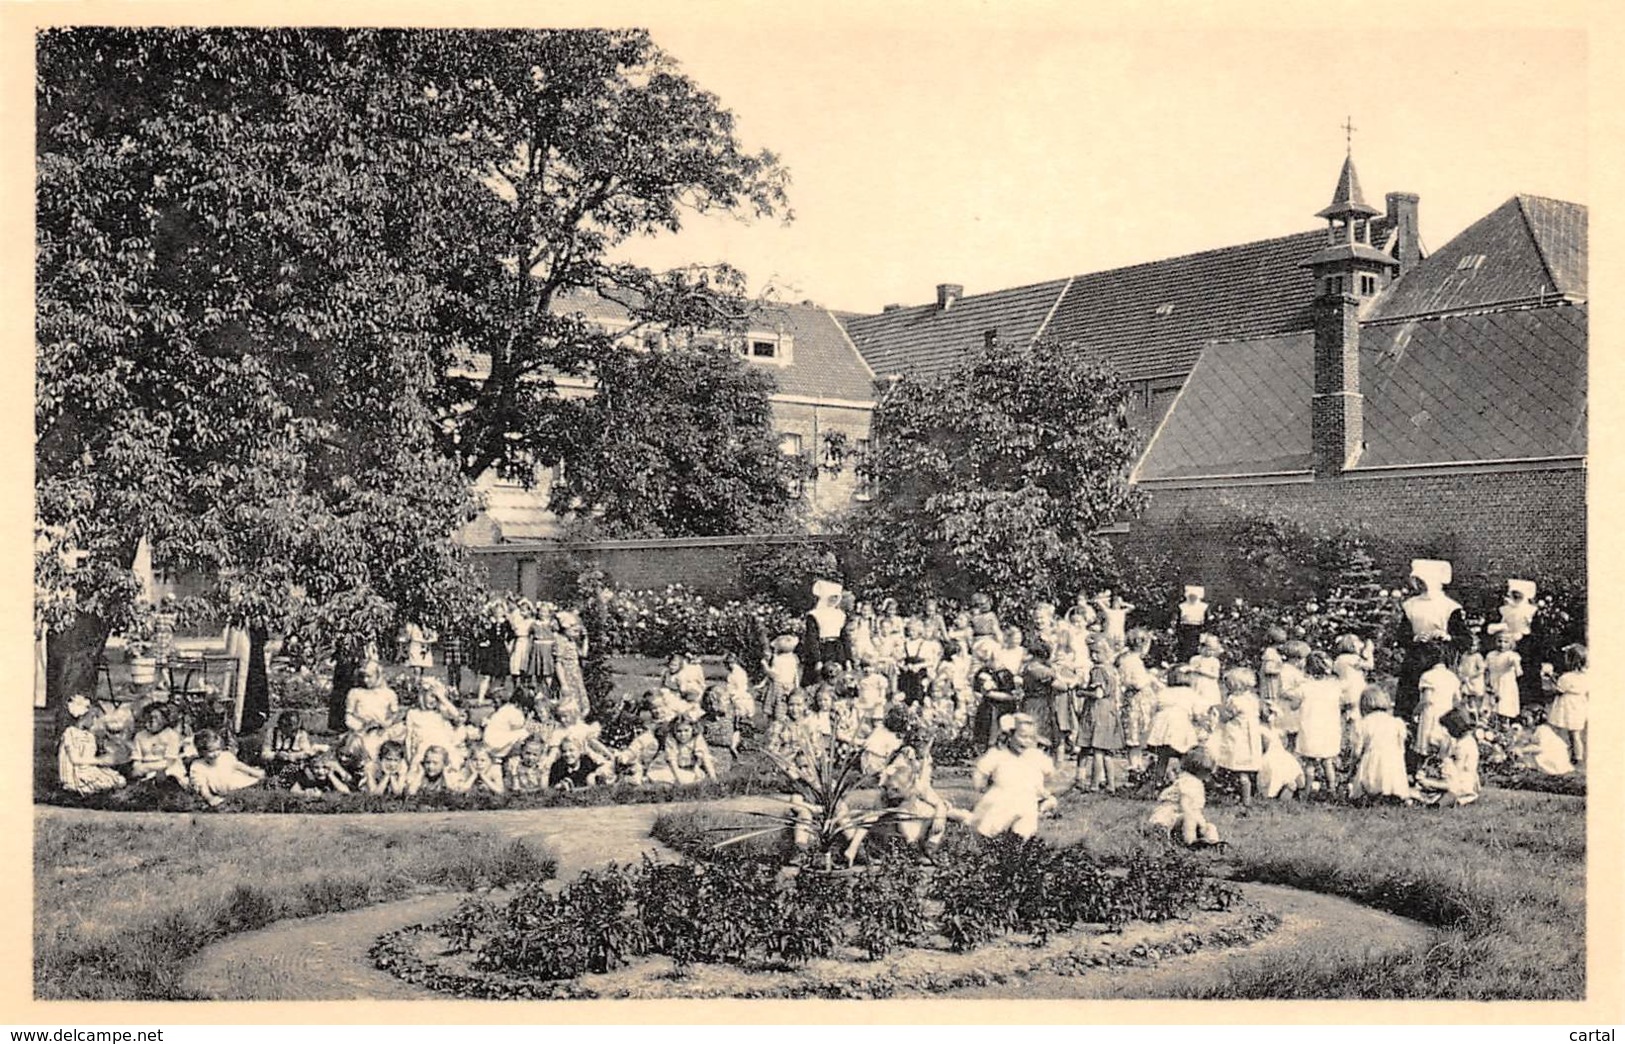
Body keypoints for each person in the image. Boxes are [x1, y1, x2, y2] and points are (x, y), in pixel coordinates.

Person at [959, 713, 1057, 840]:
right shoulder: (998, 754)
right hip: (1001, 798)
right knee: (993, 824)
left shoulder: (1036, 756)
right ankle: (984, 834)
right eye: (1023, 737)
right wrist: (981, 785)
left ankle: (1018, 842)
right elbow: (981, 771)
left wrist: (1044, 791)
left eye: (1031, 738)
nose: (1027, 741)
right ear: (1009, 735)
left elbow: (1050, 774)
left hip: (1027, 800)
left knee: (1024, 829)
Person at [1396, 559, 1469, 727]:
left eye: (1423, 581)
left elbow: (1465, 640)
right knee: (1410, 700)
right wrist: (1414, 638)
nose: (1420, 585)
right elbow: (1401, 636)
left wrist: (1446, 636)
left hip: (1439, 659)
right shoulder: (1410, 605)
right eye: (1418, 581)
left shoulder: (1449, 607)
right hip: (1415, 659)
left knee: (1437, 701)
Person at [1076, 633, 1124, 793]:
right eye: (1091, 652)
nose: (1093, 656)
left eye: (1097, 652)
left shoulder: (1097, 671)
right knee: (1106, 751)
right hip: (1110, 710)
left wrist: (1082, 693)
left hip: (1098, 710)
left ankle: (1094, 784)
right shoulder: (1112, 669)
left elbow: (1098, 694)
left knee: (1096, 750)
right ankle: (1111, 784)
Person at [1146, 746, 1222, 848]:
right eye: (1207, 772)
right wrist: (1198, 823)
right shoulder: (1189, 782)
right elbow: (1185, 806)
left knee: (1210, 826)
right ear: (1201, 770)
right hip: (1171, 815)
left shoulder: (1192, 780)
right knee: (1189, 817)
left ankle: (1213, 843)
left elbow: (1195, 809)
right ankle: (1190, 842)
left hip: (1180, 817)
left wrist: (1202, 824)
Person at [1293, 651, 1345, 796]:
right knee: (1327, 761)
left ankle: (1307, 791)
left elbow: (1294, 705)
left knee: (1310, 762)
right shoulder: (1334, 687)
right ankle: (1332, 790)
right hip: (1329, 729)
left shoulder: (1305, 687)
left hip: (1310, 728)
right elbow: (1341, 703)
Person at [1349, 686, 1412, 803]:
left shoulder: (1363, 723)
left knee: (1369, 776)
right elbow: (1401, 748)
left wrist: (1351, 768)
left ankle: (1370, 794)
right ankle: (1394, 793)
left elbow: (1357, 751)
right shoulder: (1396, 722)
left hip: (1373, 760)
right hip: (1394, 761)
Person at [1212, 667, 1262, 806]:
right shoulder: (1253, 699)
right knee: (1244, 770)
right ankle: (1243, 796)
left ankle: (1244, 799)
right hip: (1249, 738)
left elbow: (1226, 717)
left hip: (1238, 738)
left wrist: (1217, 709)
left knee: (1239, 769)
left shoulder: (1235, 700)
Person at [1144, 664, 1201, 785]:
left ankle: (1158, 781)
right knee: (1184, 754)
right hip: (1179, 724)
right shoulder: (1190, 693)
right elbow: (1197, 712)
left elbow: (1155, 707)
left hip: (1163, 726)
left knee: (1163, 757)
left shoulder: (1164, 691)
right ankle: (1183, 780)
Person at [58, 695, 127, 795]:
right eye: (93, 717)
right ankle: (80, 789)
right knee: (108, 783)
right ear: (82, 716)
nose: (95, 721)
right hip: (76, 771)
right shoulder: (70, 733)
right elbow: (75, 759)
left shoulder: (89, 735)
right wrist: (99, 761)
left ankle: (100, 790)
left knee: (120, 780)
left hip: (88, 768)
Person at [343, 662, 405, 768]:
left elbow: (395, 715)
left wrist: (385, 723)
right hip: (362, 731)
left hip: (383, 730)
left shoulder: (389, 694)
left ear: (378, 676)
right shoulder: (355, 692)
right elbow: (348, 716)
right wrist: (362, 726)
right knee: (361, 746)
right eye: (363, 677)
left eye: (369, 677)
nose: (366, 680)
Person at [1417, 708, 1480, 807]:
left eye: (1449, 728)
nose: (1448, 731)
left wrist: (1439, 776)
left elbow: (1456, 771)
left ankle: (1437, 804)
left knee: (1449, 792)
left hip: (1462, 779)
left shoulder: (1464, 746)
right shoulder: (1464, 741)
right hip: (1460, 776)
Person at [188, 729, 265, 807]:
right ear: (201, 752)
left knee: (252, 784)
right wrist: (210, 798)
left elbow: (238, 766)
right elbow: (202, 786)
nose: (216, 754)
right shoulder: (198, 765)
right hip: (222, 788)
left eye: (218, 749)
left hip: (236, 782)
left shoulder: (225, 756)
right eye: (211, 751)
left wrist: (255, 772)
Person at [1118, 629, 1158, 774]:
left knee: (1135, 734)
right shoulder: (1134, 661)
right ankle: (1135, 767)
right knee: (1136, 732)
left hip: (1131, 699)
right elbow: (1138, 683)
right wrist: (1151, 677)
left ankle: (1137, 764)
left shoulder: (1125, 659)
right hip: (1137, 700)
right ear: (1144, 645)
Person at [800, 580, 852, 686]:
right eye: (831, 597)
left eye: (836, 597)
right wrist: (817, 659)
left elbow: (845, 637)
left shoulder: (840, 615)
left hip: (837, 649)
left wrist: (847, 658)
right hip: (821, 648)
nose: (834, 600)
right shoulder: (814, 615)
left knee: (837, 678)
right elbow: (812, 638)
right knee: (817, 679)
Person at [1546, 643, 1588, 767]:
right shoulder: (1585, 676)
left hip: (1567, 706)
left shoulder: (1566, 677)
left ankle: (1557, 753)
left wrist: (1550, 679)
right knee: (1575, 733)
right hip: (1579, 704)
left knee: (1557, 730)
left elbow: (1558, 690)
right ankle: (1578, 757)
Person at [1416, 650, 1462, 761]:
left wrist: (1415, 711)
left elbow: (1426, 699)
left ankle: (1423, 769)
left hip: (1431, 713)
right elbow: (1457, 700)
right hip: (1446, 713)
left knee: (1427, 742)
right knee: (1443, 742)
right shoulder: (1452, 677)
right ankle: (1440, 766)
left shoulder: (1428, 676)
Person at [129, 704, 189, 784]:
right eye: (149, 717)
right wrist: (138, 768)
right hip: (145, 770)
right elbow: (137, 759)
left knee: (166, 777)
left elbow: (169, 761)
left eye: (156, 717)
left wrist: (146, 767)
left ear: (164, 719)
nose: (152, 720)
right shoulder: (140, 736)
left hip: (167, 768)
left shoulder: (171, 735)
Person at [1256, 701, 1303, 800]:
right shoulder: (1260, 730)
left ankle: (1290, 788)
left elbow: (1286, 740)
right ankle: (1280, 791)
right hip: (1269, 755)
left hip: (1280, 754)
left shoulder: (1277, 730)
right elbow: (1263, 748)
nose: (1272, 717)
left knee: (1291, 766)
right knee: (1275, 769)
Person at [472, 600, 513, 703]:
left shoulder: (506, 623)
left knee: (501, 675)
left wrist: (509, 646)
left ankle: (497, 697)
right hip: (491, 650)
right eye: (496, 611)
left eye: (500, 611)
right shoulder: (489, 622)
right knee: (487, 675)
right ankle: (480, 699)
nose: (498, 614)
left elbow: (511, 635)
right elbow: (482, 633)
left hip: (501, 650)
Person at [552, 611, 590, 710]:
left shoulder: (572, 641)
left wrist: (585, 639)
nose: (577, 634)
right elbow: (558, 663)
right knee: (569, 704)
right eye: (574, 631)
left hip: (575, 674)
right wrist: (563, 684)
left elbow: (583, 654)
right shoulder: (560, 642)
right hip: (567, 674)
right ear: (565, 630)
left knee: (580, 703)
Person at [546, 735, 612, 791]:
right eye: (564, 751)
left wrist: (596, 774)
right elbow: (553, 786)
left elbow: (599, 768)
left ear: (580, 751)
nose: (567, 754)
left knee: (592, 777)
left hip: (584, 788)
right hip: (570, 791)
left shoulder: (586, 761)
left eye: (571, 750)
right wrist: (560, 786)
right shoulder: (558, 766)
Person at [1485, 629, 1523, 723]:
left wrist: (1517, 668)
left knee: (1505, 705)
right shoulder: (1491, 655)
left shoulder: (1511, 655)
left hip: (1506, 684)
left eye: (1506, 642)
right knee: (1491, 705)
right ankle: (1492, 724)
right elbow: (1486, 668)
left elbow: (1514, 662)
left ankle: (1505, 723)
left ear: (1511, 644)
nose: (1502, 644)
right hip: (1493, 682)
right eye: (1499, 641)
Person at [1174, 585, 1209, 664]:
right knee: (1184, 651)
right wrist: (1179, 634)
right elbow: (1178, 622)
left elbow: (1207, 623)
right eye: (1191, 596)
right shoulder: (1182, 606)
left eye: (1195, 596)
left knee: (1196, 651)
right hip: (1185, 632)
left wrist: (1204, 634)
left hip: (1197, 632)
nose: (1193, 597)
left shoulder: (1204, 607)